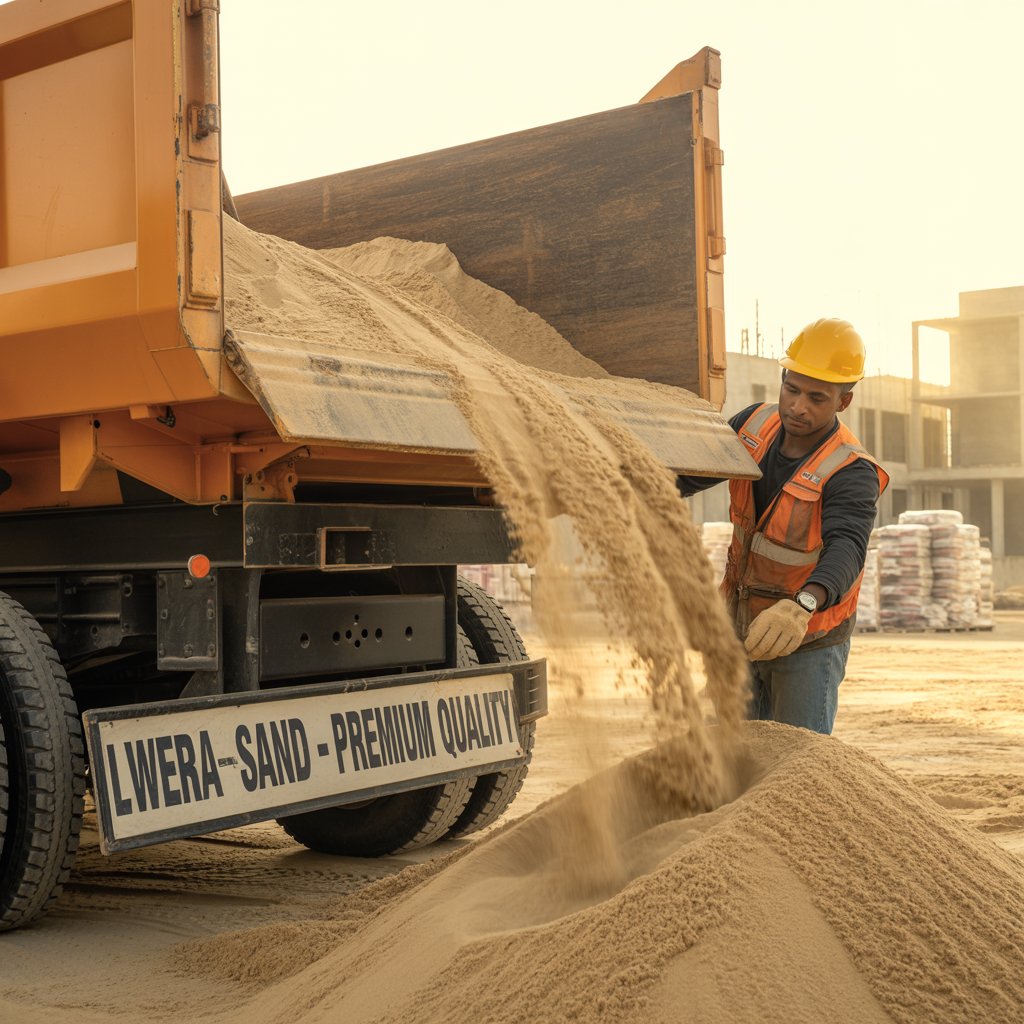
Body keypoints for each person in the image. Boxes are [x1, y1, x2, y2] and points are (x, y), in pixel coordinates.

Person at [680, 318, 888, 735]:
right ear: (782, 378)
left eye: (817, 398)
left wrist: (803, 606)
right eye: (791, 389)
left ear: (842, 403)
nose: (798, 406)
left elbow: (846, 549)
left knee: (796, 760)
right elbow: (689, 476)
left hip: (804, 637)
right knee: (736, 756)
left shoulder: (850, 469)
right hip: (741, 628)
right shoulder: (752, 426)